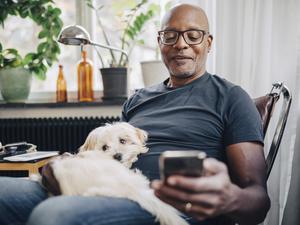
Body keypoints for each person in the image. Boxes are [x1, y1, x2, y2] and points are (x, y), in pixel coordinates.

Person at [0, 3, 270, 225]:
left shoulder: (232, 98)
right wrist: (68, 163)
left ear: (208, 43)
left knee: (53, 216)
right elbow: (111, 153)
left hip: (161, 207)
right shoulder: (138, 100)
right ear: (160, 42)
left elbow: (258, 201)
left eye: (193, 35)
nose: (181, 44)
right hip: (103, 188)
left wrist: (228, 198)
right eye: (170, 35)